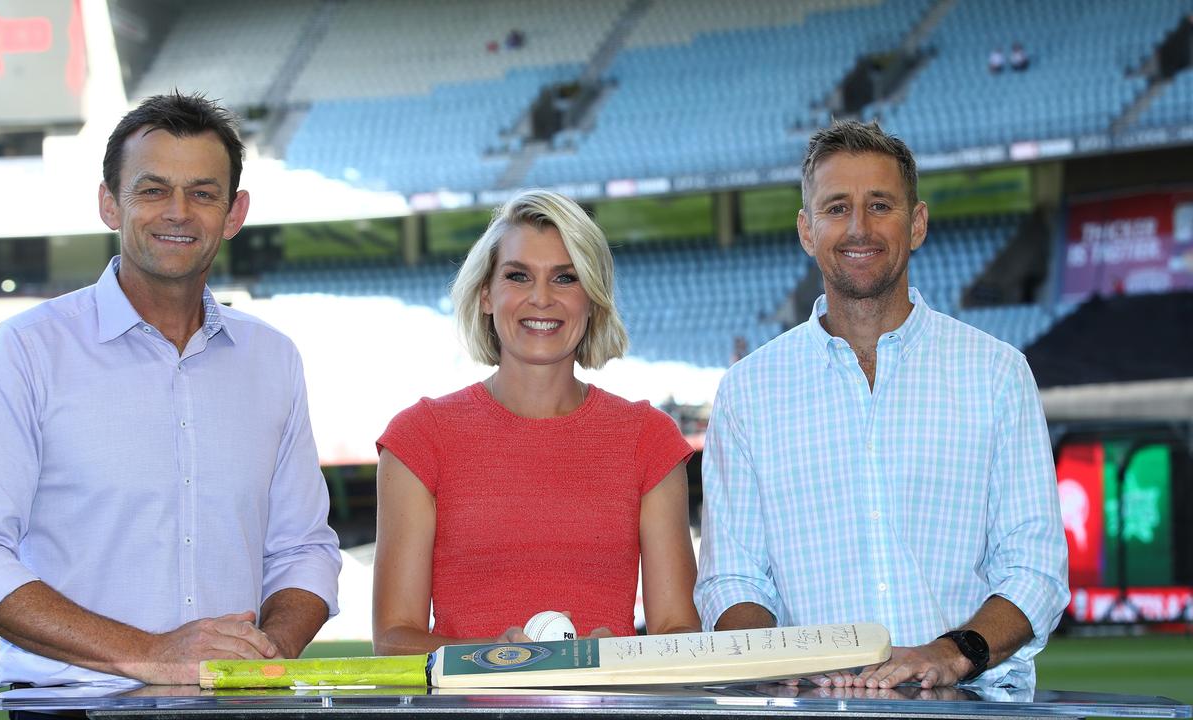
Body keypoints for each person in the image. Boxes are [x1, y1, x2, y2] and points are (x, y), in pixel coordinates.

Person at [0, 92, 342, 689]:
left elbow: (304, 549)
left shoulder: (273, 359)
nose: (178, 211)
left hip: (233, 706)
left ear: (234, 213)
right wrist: (149, 654)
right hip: (71, 705)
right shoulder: (25, 351)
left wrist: (262, 657)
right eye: (152, 190)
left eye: (203, 192)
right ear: (109, 203)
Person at [694, 121, 1068, 690]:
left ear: (916, 223)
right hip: (815, 704)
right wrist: (777, 661)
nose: (859, 228)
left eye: (880, 205)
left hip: (967, 700)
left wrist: (952, 652)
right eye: (837, 207)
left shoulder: (996, 372)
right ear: (806, 229)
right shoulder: (749, 390)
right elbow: (732, 580)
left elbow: (1036, 568)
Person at [372, 189, 700, 655]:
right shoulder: (421, 437)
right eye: (518, 276)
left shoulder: (647, 438)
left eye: (565, 278)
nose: (541, 298)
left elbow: (679, 633)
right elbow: (392, 638)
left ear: (593, 298)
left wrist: (617, 656)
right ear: (486, 294)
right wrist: (495, 658)